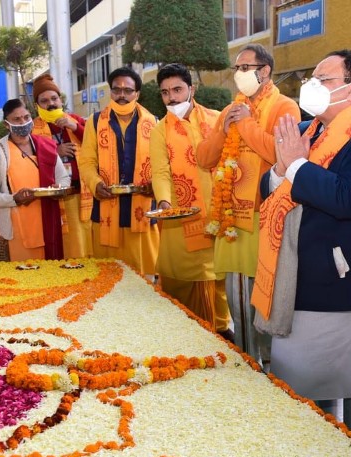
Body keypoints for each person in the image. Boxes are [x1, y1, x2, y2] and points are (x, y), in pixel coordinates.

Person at [252, 49, 351, 440]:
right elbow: (271, 185)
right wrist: (281, 170)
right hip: (300, 270)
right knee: (303, 382)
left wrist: (296, 167)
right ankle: (316, 446)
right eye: (310, 79)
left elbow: (349, 199)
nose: (311, 87)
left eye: (323, 79)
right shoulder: (308, 129)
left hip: (344, 274)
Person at [197, 44, 301, 363]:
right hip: (232, 220)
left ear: (265, 71)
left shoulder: (285, 107)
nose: (239, 74)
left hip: (266, 219)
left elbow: (281, 155)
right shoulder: (233, 109)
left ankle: (269, 367)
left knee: (264, 302)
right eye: (237, 68)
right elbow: (204, 158)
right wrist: (225, 130)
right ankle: (245, 361)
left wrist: (246, 126)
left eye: (245, 68)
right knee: (238, 305)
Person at [150, 63, 232, 339]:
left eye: (177, 89)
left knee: (219, 274)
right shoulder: (160, 130)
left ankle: (222, 332)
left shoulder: (216, 118)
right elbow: (160, 171)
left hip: (218, 210)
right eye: (165, 93)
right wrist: (163, 203)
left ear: (191, 89)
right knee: (181, 273)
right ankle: (185, 335)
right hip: (180, 214)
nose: (171, 98)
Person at [78, 67, 159, 277]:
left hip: (142, 210)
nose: (122, 95)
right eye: (116, 90)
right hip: (105, 208)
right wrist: (95, 184)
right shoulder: (94, 122)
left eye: (128, 90)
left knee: (144, 279)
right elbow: (86, 161)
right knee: (107, 278)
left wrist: (155, 184)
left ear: (137, 94)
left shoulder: (154, 123)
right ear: (110, 92)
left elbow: (162, 164)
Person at [0, 99, 70, 261]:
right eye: (17, 119)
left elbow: (63, 177)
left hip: (49, 221)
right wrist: (14, 199)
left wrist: (60, 188)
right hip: (16, 229)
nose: (23, 122)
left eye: (26, 117)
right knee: (23, 279)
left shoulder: (47, 146)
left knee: (52, 276)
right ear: (6, 124)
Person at [32, 74, 93, 260]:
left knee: (86, 241)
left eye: (54, 98)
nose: (51, 103)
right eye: (44, 100)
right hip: (55, 197)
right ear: (37, 105)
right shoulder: (34, 128)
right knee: (65, 244)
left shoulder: (75, 120)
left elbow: (98, 145)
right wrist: (55, 152)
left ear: (61, 100)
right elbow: (31, 159)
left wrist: (75, 127)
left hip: (82, 193)